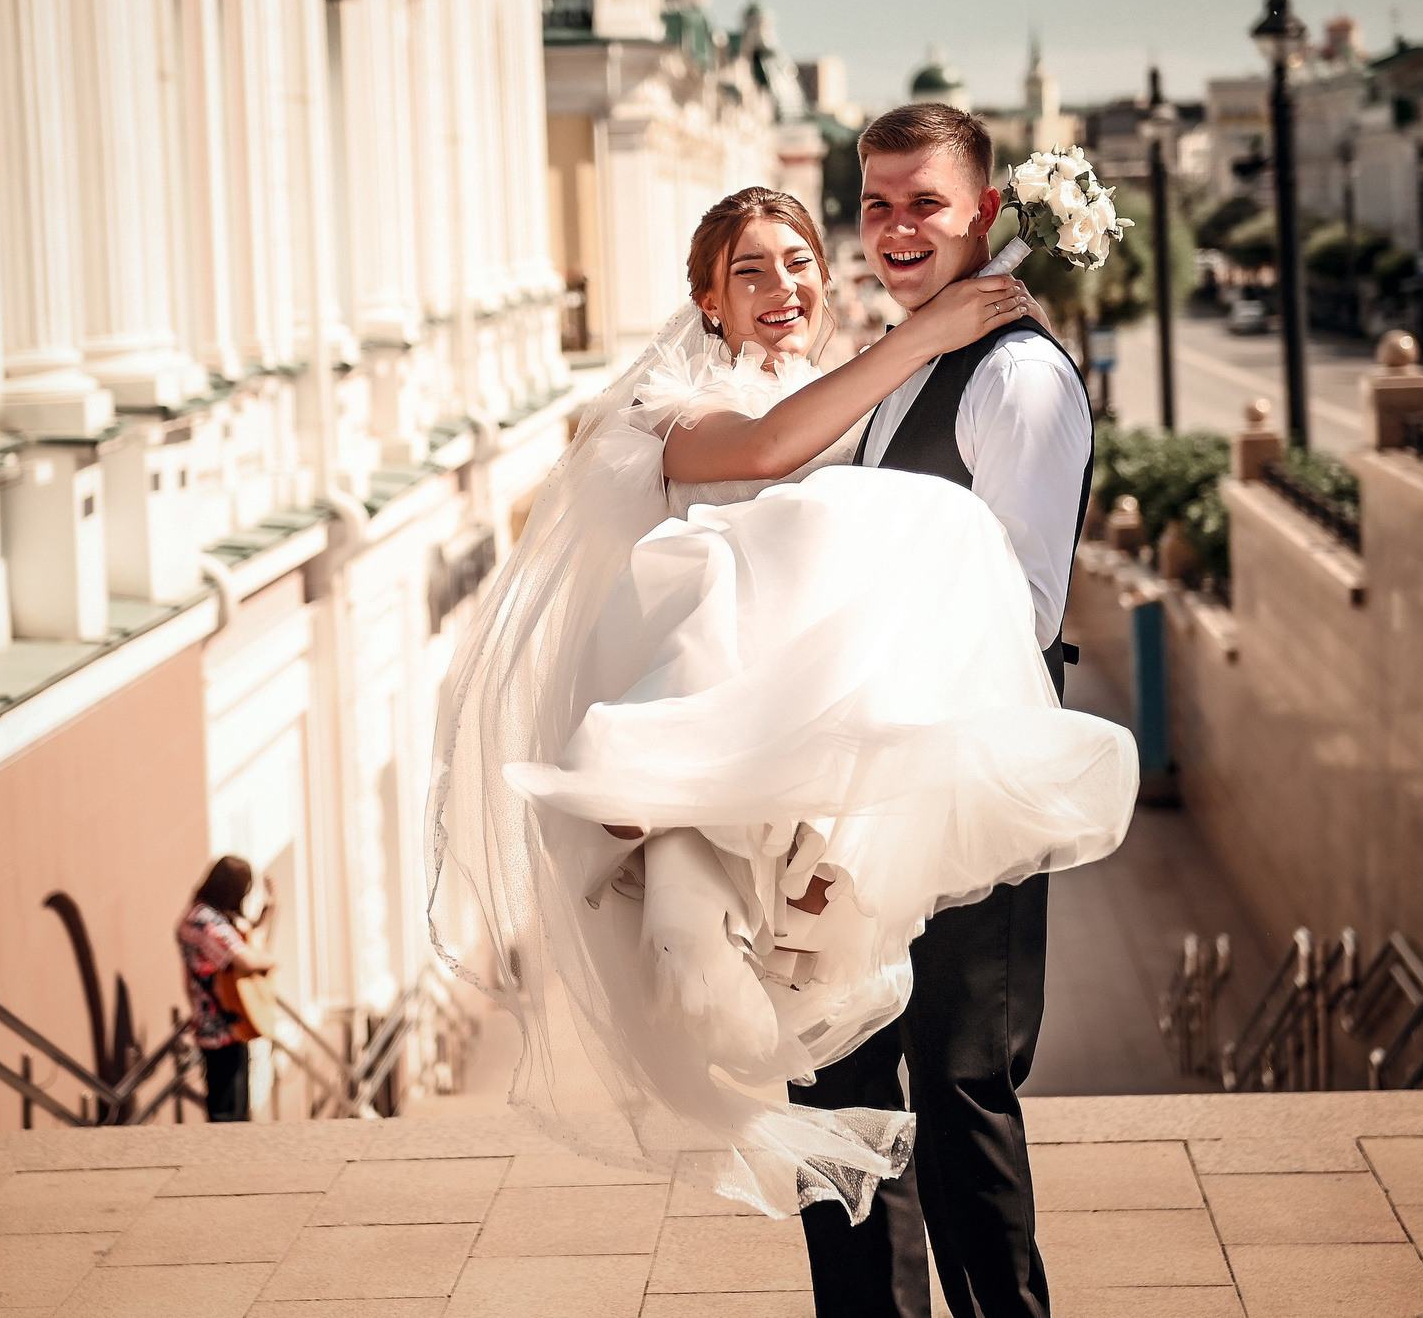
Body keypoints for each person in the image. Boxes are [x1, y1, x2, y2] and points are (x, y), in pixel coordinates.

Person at [428, 181, 1136, 1234]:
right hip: (726, 762)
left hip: (828, 781)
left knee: (901, 1068)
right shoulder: (666, 406)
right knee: (829, 1078)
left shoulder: (844, 395)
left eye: (798, 261)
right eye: (749, 270)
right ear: (707, 301)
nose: (781, 287)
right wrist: (933, 327)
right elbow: (762, 453)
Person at [794, 101, 1092, 1318]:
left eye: (924, 202)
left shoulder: (1016, 376)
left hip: (967, 770)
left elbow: (1019, 608)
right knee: (840, 1074)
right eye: (877, 204)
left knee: (961, 1082)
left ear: (985, 210)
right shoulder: (900, 357)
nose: (897, 227)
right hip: (862, 770)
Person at [178, 855, 273, 1123]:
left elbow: (247, 945)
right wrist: (272, 962)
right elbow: (246, 960)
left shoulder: (207, 917)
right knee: (227, 1115)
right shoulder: (205, 922)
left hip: (230, 1028)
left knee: (237, 1111)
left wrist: (269, 911)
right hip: (218, 1030)